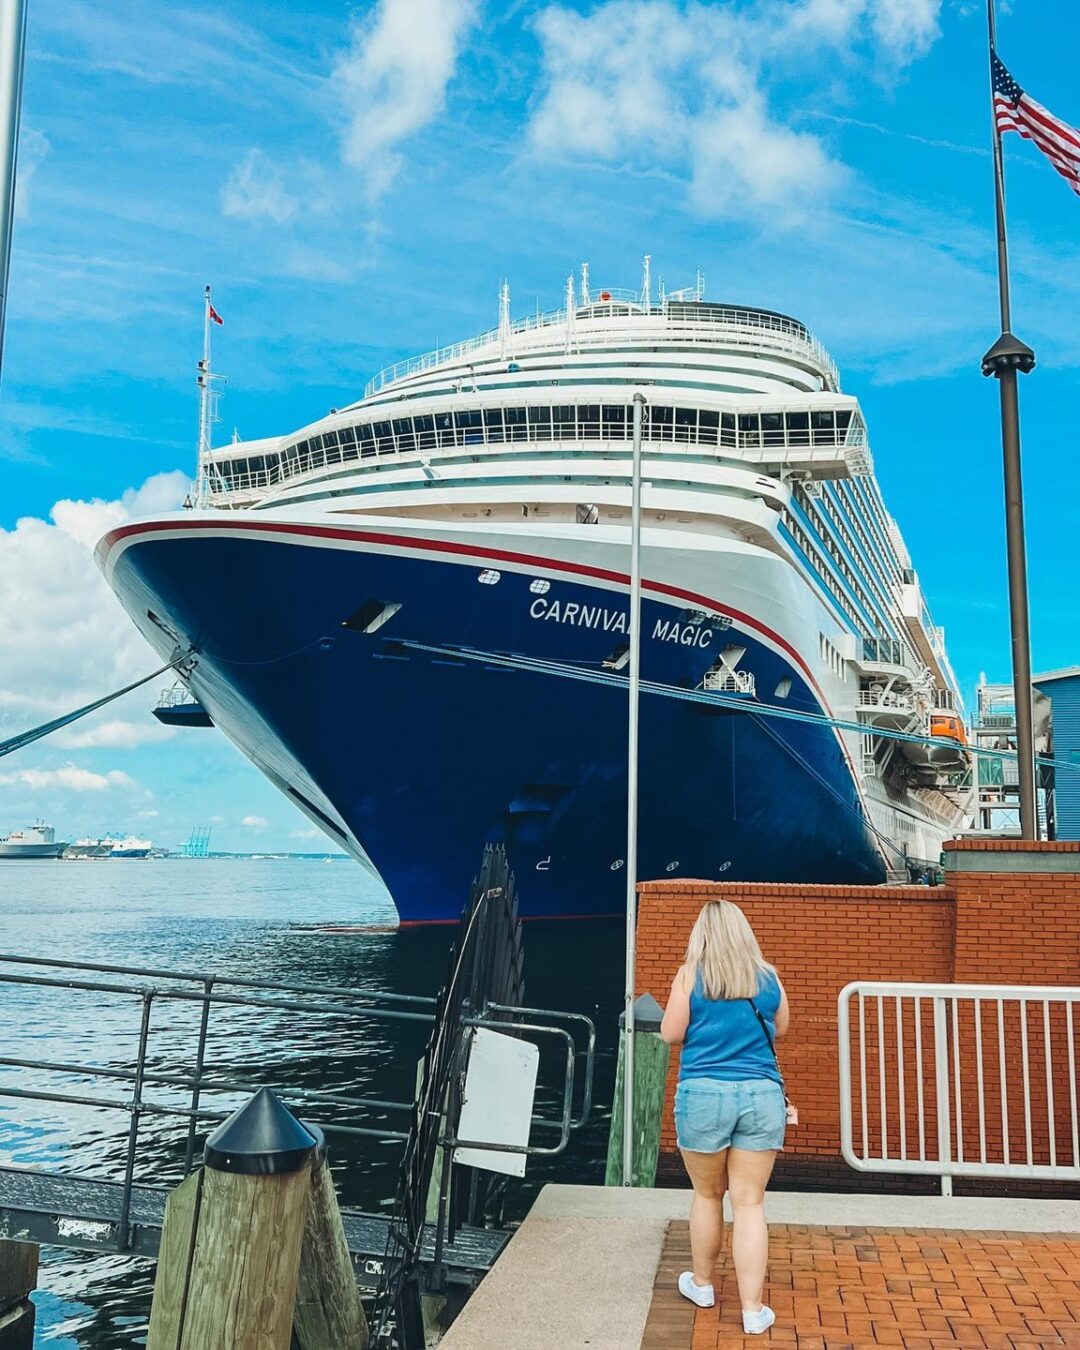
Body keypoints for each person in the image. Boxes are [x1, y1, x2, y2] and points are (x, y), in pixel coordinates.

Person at [660, 900, 790, 1336]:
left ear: (702, 934)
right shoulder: (768, 977)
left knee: (707, 1195)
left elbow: (670, 1033)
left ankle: (702, 1285)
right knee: (749, 1202)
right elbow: (782, 1026)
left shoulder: (690, 976)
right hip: (760, 1095)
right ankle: (753, 1310)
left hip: (704, 1096)